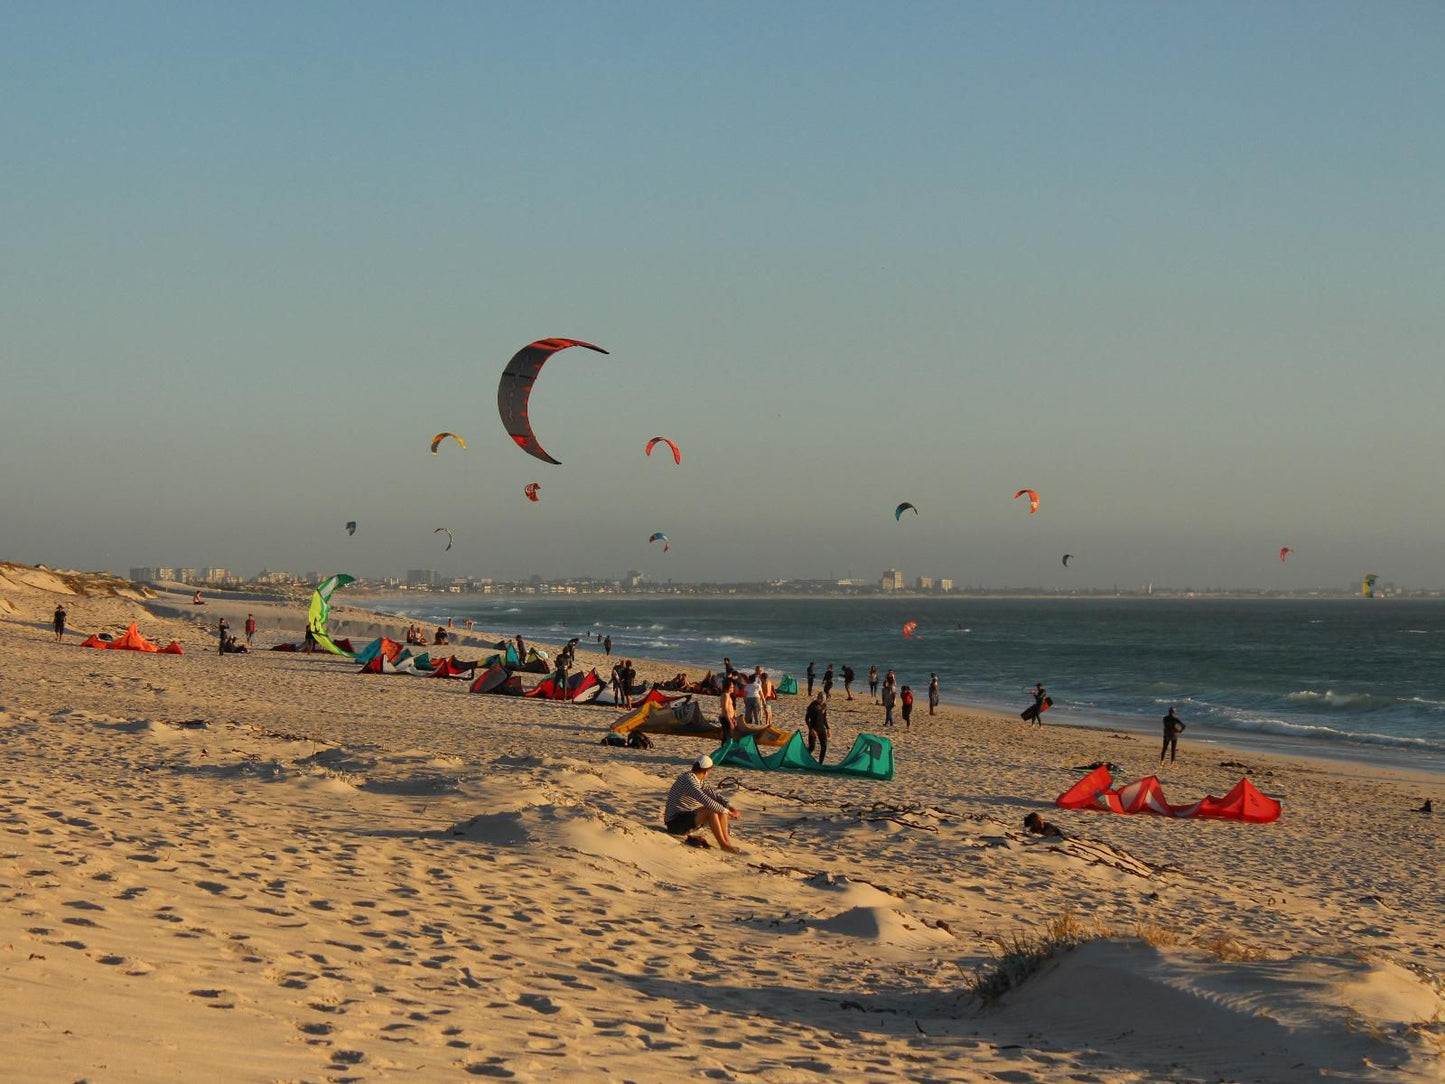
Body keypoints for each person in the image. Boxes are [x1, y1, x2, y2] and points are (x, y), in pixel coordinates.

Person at [663, 754, 741, 853]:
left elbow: (714, 796)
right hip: (674, 824)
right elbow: (705, 800)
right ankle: (723, 845)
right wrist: (728, 812)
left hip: (686, 819)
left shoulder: (698, 780)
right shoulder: (688, 781)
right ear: (705, 771)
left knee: (720, 808)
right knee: (711, 810)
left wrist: (730, 807)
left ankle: (727, 843)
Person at [805, 692, 829, 763]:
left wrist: (828, 728)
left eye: (823, 699)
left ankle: (820, 763)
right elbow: (806, 719)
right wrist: (811, 729)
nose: (822, 701)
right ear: (817, 698)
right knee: (812, 748)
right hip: (813, 729)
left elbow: (824, 718)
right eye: (820, 699)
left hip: (822, 729)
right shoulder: (812, 706)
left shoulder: (824, 706)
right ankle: (804, 759)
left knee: (824, 747)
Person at [718, 675, 738, 742]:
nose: (733, 688)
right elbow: (725, 708)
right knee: (727, 737)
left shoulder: (728, 695)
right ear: (728, 687)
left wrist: (734, 718)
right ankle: (724, 751)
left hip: (729, 718)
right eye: (731, 687)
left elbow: (731, 708)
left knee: (729, 736)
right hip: (726, 718)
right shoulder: (725, 695)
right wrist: (730, 721)